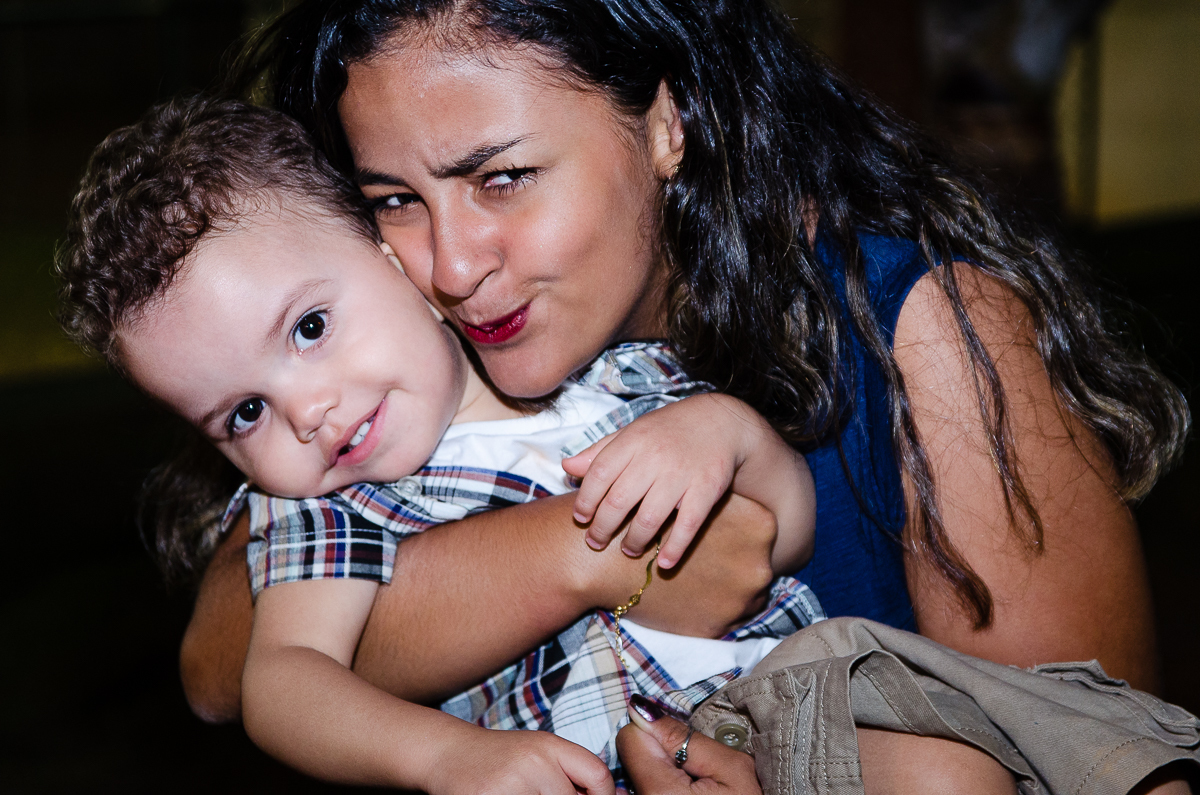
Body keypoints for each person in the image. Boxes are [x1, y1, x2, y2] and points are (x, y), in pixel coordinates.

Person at [177, 0, 1189, 791]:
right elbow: (224, 659)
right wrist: (588, 555)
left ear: (667, 122)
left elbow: (1099, 753)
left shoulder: (915, 326)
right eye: (395, 199)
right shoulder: (391, 347)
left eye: (503, 178)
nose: (451, 263)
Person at [56, 96, 822, 792]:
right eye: (245, 412)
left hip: (812, 723)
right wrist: (445, 756)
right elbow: (283, 681)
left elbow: (785, 536)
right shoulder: (333, 511)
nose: (307, 412)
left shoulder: (608, 372)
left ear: (392, 257)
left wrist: (730, 432)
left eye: (309, 328)